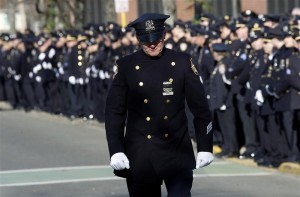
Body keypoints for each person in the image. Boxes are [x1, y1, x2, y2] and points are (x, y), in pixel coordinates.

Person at [105, 13, 213, 197]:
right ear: (138, 40)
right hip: (141, 153)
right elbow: (114, 112)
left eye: (156, 39)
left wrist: (205, 146)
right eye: (147, 41)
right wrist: (116, 150)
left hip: (176, 149)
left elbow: (201, 108)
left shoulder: (181, 62)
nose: (152, 44)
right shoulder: (126, 66)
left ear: (164, 35)